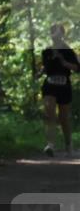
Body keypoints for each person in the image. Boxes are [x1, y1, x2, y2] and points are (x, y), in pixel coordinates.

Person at [40, 23, 78, 158]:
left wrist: (64, 62)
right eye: (53, 32)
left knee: (63, 118)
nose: (55, 35)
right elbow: (45, 67)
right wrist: (40, 72)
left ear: (62, 34)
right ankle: (50, 145)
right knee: (50, 114)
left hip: (64, 86)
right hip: (50, 85)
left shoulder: (68, 51)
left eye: (58, 32)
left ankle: (69, 146)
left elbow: (77, 68)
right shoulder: (46, 51)